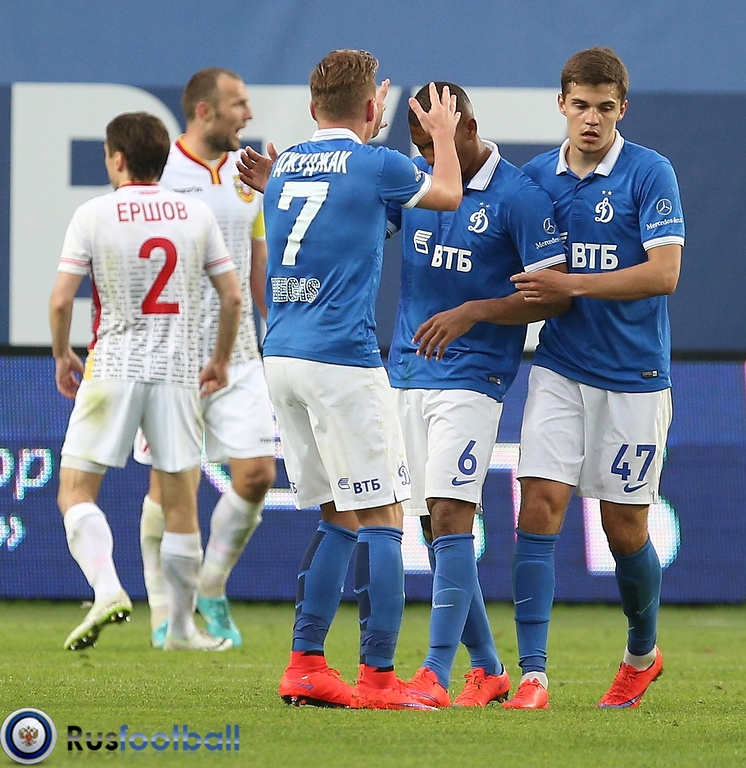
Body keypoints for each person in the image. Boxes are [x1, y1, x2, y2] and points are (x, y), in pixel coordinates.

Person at [236, 49, 463, 709]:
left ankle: (306, 663)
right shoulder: (377, 163)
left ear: (312, 108)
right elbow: (447, 193)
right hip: (341, 359)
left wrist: (280, 175)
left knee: (337, 512)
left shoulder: (287, 166)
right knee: (384, 514)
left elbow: (322, 201)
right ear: (371, 108)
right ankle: (380, 678)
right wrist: (443, 135)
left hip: (282, 357)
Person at [500, 47, 684, 709]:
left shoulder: (649, 172)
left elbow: (664, 273)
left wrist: (572, 284)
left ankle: (641, 655)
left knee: (624, 528)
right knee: (538, 505)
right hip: (560, 368)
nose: (591, 119)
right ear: (562, 104)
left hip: (635, 376)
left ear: (621, 109)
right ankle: (533, 676)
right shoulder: (533, 180)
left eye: (605, 107)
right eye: (580, 105)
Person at [385, 83, 568, 708]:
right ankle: (488, 668)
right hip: (407, 370)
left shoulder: (520, 197)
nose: (426, 157)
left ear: (466, 127)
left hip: (474, 377)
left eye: (434, 142)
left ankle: (434, 674)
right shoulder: (416, 183)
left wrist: (476, 311)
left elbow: (555, 294)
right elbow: (358, 218)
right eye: (418, 146)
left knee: (451, 513)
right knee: (431, 523)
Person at [50, 111, 242, 652]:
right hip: (178, 372)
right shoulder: (195, 213)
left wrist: (63, 354)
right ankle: (180, 629)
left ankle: (107, 587)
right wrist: (220, 359)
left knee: (75, 490)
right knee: (181, 502)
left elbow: (62, 300)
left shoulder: (93, 213)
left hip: (112, 364)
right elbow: (231, 296)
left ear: (117, 159)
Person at [135, 68, 276, 650]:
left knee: (258, 474)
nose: (248, 114)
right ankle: (165, 611)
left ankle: (211, 586)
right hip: (172, 358)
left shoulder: (249, 173)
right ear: (203, 111)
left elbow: (257, 259)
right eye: (238, 104)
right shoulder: (161, 174)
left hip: (239, 352)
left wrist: (275, 327)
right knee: (172, 489)